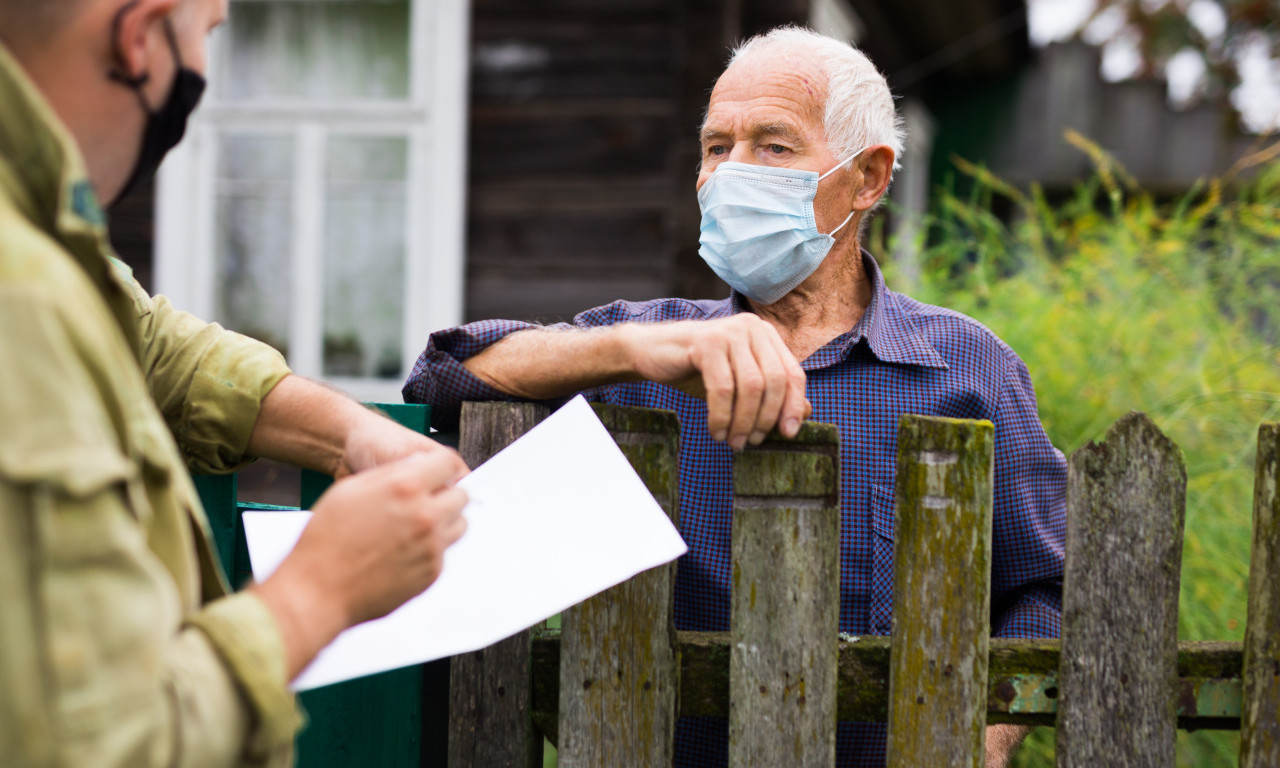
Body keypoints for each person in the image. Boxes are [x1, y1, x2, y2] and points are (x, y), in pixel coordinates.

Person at [405, 26, 1066, 768]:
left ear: (868, 178)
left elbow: (1049, 588)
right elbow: (442, 375)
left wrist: (979, 747)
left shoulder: (967, 368)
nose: (732, 173)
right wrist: (630, 351)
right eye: (717, 147)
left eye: (774, 147)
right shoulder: (653, 347)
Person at [0, 1, 470, 765]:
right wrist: (319, 590)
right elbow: (104, 747)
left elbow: (148, 342)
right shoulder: (19, 291)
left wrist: (349, 432)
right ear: (140, 37)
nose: (205, 70)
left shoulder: (35, 228)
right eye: (209, 34)